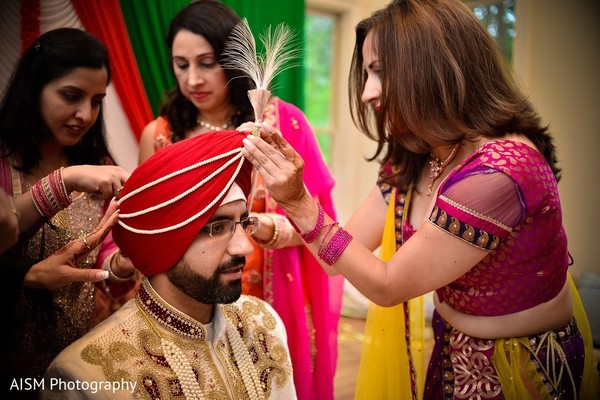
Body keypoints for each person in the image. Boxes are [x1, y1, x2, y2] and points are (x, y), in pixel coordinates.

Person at [241, 0, 600, 399]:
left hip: (522, 371)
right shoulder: (421, 154)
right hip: (449, 353)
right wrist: (273, 225)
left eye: (379, 71)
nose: (366, 93)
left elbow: (387, 285)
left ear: (433, 67)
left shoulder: (501, 172)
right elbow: (346, 246)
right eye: (367, 73)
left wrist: (298, 200)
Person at [137, 1, 342, 397]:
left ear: (234, 58)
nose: (193, 78)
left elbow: (323, 226)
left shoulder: (284, 125)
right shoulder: (159, 136)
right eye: (181, 65)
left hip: (266, 304)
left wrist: (272, 230)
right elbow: (150, 234)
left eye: (207, 62)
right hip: (185, 309)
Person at [42, 130, 296, 399]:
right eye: (218, 227)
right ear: (163, 242)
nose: (245, 246)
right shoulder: (84, 376)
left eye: (244, 223)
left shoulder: (264, 323)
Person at [0, 27, 137, 387]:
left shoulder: (98, 162)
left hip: (76, 362)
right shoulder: (4, 159)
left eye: (96, 101)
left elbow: (106, 244)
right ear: (34, 89)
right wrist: (65, 181)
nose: (85, 114)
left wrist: (119, 265)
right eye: (71, 96)